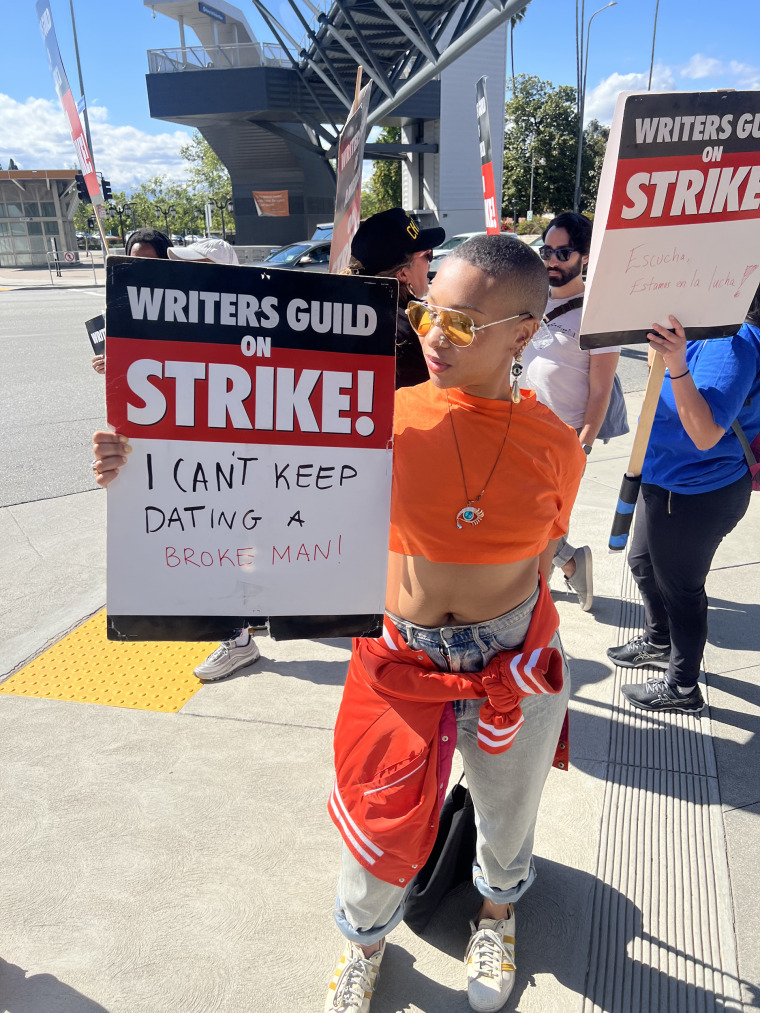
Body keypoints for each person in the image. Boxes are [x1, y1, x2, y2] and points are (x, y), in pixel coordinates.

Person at [324, 235, 585, 1013]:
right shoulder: (381, 419)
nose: (434, 336)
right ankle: (362, 941)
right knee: (379, 814)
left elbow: (542, 551)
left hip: (512, 659)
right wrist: (139, 461)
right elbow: (265, 489)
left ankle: (497, 917)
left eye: (464, 323)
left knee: (508, 814)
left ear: (524, 332)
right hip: (399, 657)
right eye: (427, 311)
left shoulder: (554, 446)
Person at [607, 291, 760, 714]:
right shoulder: (706, 325)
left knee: (681, 591)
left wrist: (676, 363)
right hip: (664, 479)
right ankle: (658, 641)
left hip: (696, 493)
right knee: (642, 563)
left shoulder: (734, 340)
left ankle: (682, 688)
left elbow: (706, 434)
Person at [521, 211, 622, 612]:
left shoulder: (600, 314)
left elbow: (601, 389)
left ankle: (532, 606)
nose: (552, 260)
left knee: (539, 524)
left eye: (563, 253)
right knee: (527, 518)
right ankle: (572, 563)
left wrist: (584, 441)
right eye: (547, 250)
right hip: (518, 427)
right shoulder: (531, 298)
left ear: (584, 256)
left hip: (563, 439)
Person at [348, 207, 444, 388]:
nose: (430, 261)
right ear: (402, 274)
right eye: (427, 254)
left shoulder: (337, 313)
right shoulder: (416, 327)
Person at [91, 228, 174, 374]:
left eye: (151, 262)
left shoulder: (189, 300)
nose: (143, 269)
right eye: (135, 262)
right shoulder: (119, 300)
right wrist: (105, 364)